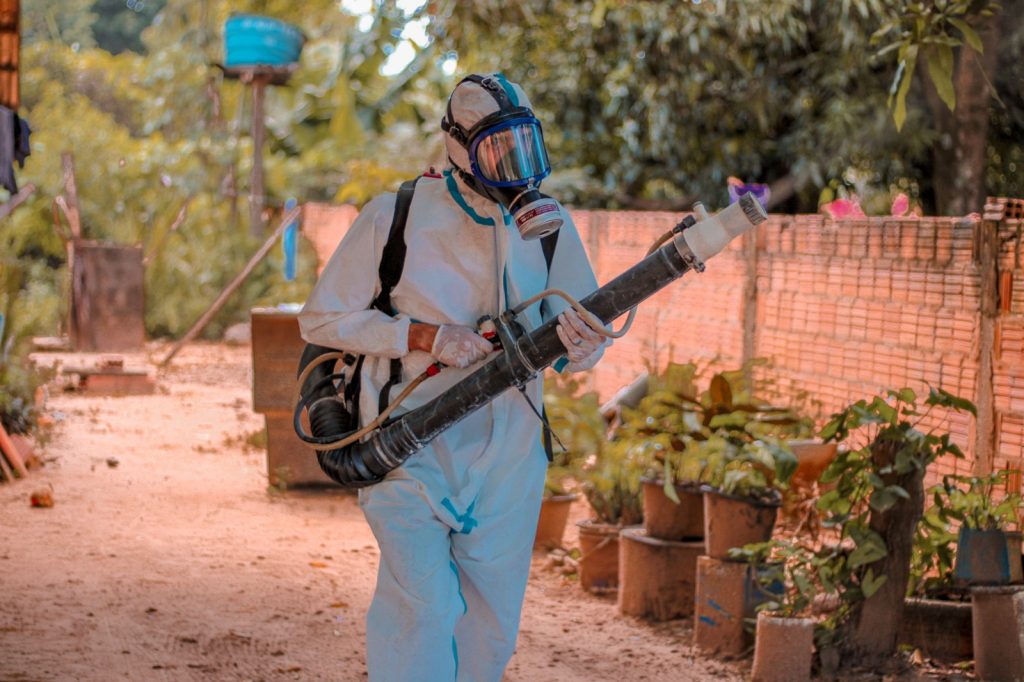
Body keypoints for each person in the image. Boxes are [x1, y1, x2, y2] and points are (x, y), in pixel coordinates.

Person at [299, 73, 607, 682]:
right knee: (421, 611)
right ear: (459, 146)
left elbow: (581, 341)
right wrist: (422, 336)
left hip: (511, 458)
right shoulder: (398, 217)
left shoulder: (551, 230)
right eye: (498, 149)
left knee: (491, 628)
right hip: (409, 448)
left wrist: (584, 343)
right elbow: (323, 316)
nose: (515, 167)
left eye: (525, 147)